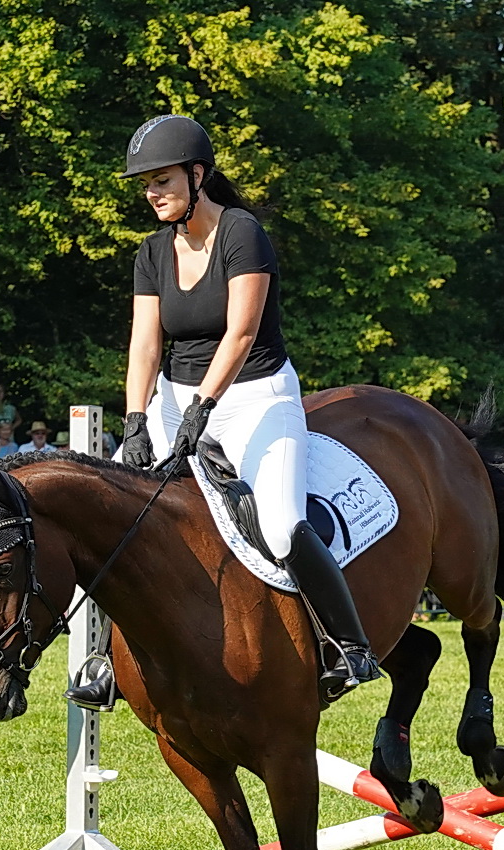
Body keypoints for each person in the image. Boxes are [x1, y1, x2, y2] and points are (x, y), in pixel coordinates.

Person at [72, 113, 381, 709]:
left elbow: (241, 333)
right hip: (172, 399)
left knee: (281, 524)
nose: (152, 193)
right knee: (108, 516)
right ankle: (106, 661)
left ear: (197, 174)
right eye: (146, 184)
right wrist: (137, 419)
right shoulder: (152, 252)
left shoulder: (242, 233)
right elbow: (144, 343)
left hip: (254, 396)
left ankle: (349, 645)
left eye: (162, 180)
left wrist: (203, 409)